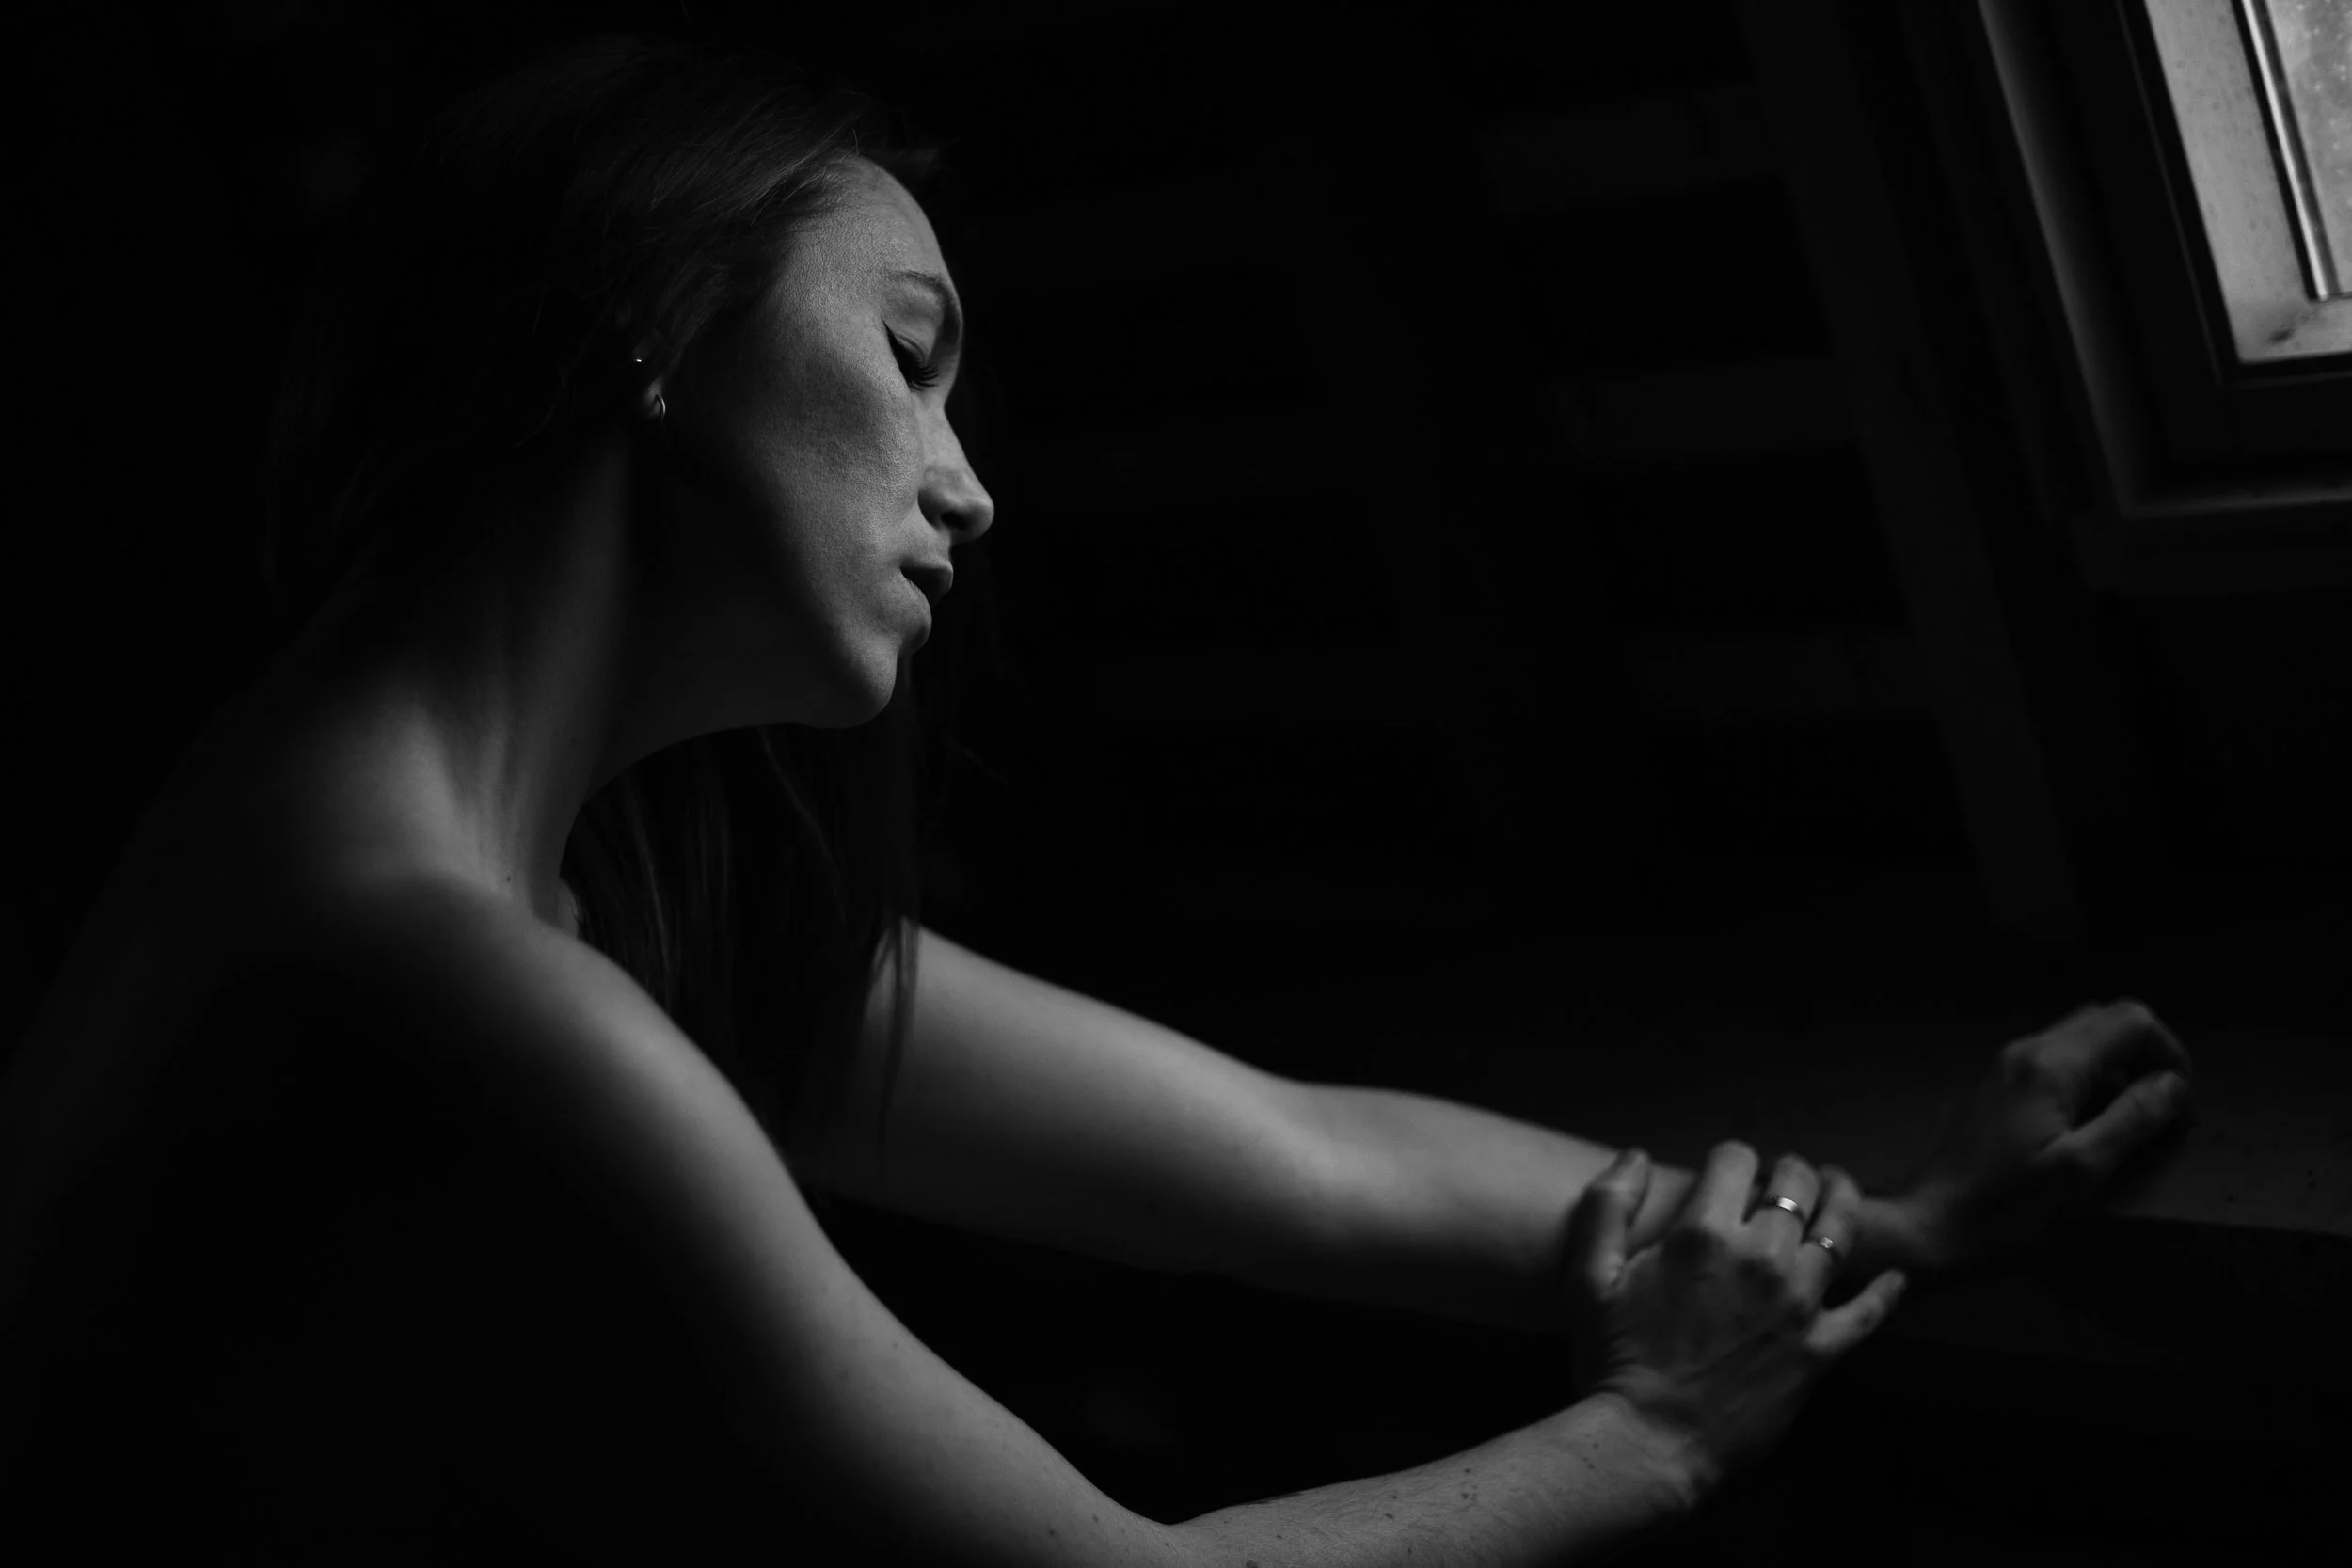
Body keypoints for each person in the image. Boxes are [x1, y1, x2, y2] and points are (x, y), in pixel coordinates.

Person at [0, 35, 2195, 1564]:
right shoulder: (423, 968)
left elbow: (1301, 1156)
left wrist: (1876, 1225)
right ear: (644, 312)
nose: (972, 478)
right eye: (910, 346)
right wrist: (1666, 1426)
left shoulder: (548, 890)